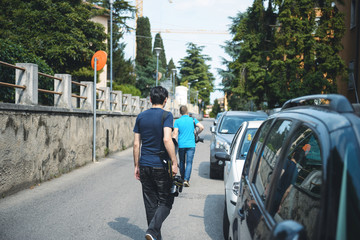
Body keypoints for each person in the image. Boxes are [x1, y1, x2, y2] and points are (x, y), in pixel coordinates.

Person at [133, 86, 178, 240]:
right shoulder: (167, 115)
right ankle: (152, 231)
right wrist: (174, 161)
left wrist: (136, 166)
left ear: (150, 99)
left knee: (150, 203)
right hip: (160, 164)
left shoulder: (141, 116)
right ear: (165, 100)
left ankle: (153, 235)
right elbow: (167, 139)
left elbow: (136, 144)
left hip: (144, 164)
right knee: (166, 200)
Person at [172, 105, 204, 187]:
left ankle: (182, 178)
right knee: (189, 162)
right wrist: (196, 134)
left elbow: (175, 134)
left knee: (182, 162)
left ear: (180, 112)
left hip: (181, 145)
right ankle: (186, 180)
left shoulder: (177, 121)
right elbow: (201, 127)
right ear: (187, 112)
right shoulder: (193, 120)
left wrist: (172, 142)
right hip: (191, 145)